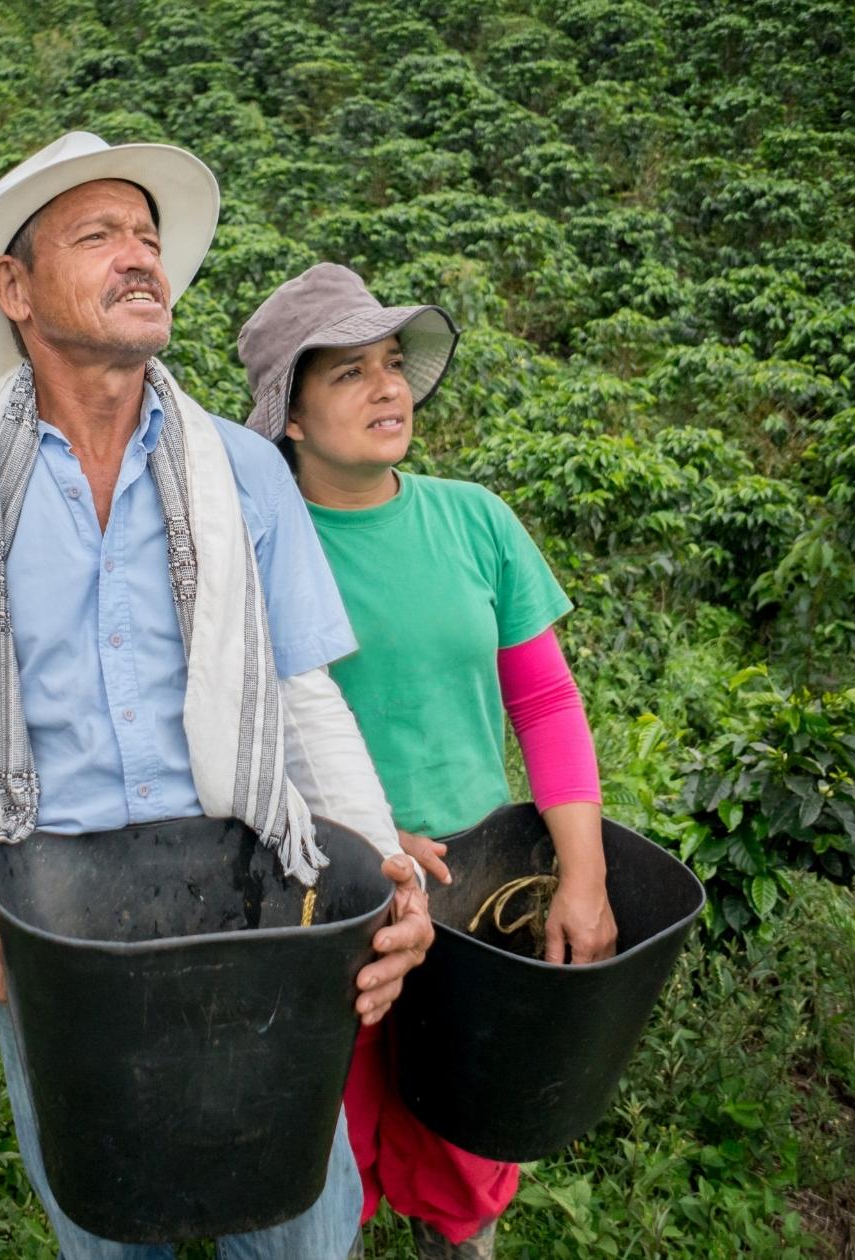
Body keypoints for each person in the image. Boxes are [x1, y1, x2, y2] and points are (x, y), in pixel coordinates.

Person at [0, 132, 436, 1259]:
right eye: (98, 235)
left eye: (148, 236)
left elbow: (300, 693)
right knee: (104, 1223)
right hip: (52, 940)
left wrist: (383, 866)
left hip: (252, 917)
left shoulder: (242, 473)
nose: (139, 258)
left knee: (297, 1227)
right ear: (14, 287)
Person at [236, 263, 618, 1260]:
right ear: (290, 418)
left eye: (392, 365)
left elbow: (543, 701)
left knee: (464, 1151)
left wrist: (580, 875)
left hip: (477, 887)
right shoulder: (253, 549)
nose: (387, 389)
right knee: (327, 1151)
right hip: (327, 894)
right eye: (348, 375)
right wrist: (362, 833)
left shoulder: (473, 520)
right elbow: (236, 731)